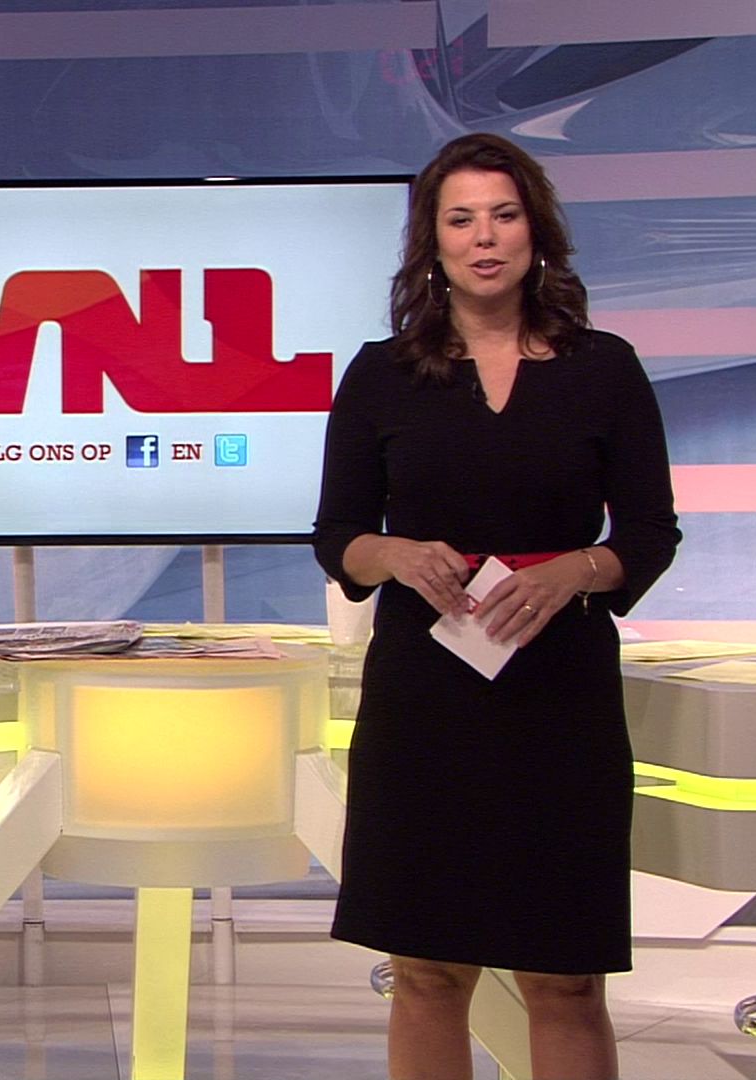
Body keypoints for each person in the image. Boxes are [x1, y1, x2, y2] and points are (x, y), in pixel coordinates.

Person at [312, 133, 680, 1080]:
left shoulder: (603, 368)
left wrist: (577, 571)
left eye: (504, 216)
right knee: (427, 972)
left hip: (558, 700)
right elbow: (338, 535)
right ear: (431, 242)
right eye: (462, 219)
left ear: (535, 231)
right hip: (426, 702)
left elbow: (650, 532)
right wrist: (395, 554)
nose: (484, 238)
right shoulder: (382, 374)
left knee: (565, 979)